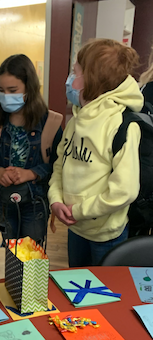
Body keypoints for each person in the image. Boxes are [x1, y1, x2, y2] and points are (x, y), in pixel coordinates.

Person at [49, 39, 143, 267]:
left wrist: (79, 211)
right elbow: (60, 165)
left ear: (90, 79)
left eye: (75, 72)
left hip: (106, 235)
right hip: (76, 228)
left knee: (104, 297)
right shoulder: (76, 119)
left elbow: (124, 191)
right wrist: (55, 200)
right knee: (77, 290)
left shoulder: (122, 125)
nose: (69, 80)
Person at [0, 54, 62, 248]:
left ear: (29, 88)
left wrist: (31, 173)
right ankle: (16, 281)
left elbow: (58, 167)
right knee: (13, 256)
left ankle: (31, 281)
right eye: (1, 90)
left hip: (35, 203)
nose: (6, 96)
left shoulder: (51, 123)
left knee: (32, 259)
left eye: (13, 90)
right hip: (6, 203)